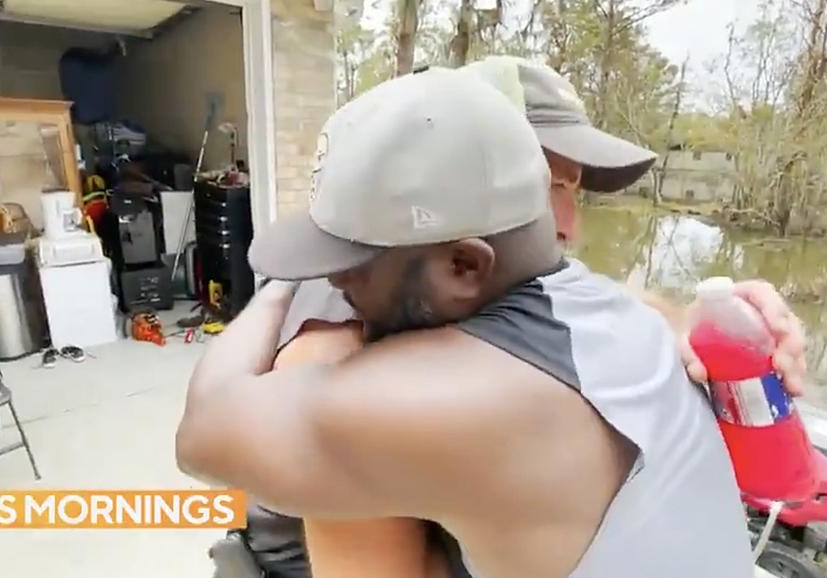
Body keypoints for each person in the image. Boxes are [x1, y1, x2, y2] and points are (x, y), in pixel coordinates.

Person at [178, 66, 757, 578]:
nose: (333, 282)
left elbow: (201, 434)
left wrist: (282, 288)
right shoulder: (623, 319)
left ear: (463, 265)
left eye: (351, 263)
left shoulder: (442, 398)